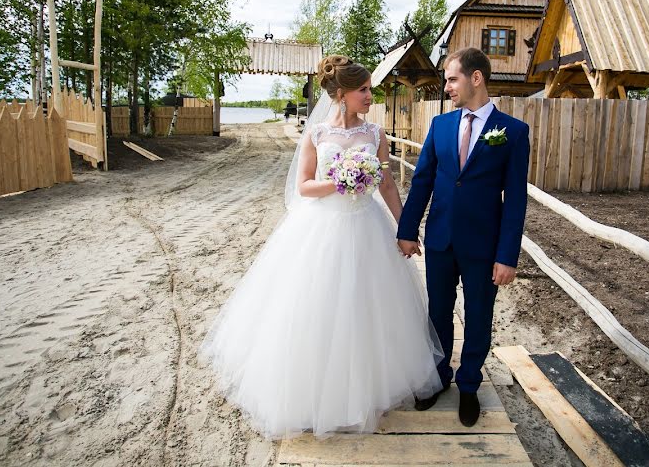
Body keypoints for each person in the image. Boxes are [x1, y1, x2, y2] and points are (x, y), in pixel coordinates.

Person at [200, 55, 443, 440]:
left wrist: (405, 228)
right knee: (316, 308)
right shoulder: (316, 136)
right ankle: (312, 393)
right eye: (363, 90)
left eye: (369, 89)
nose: (370, 95)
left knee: (369, 308)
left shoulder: (376, 135)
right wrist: (341, 183)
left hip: (368, 228)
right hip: (321, 229)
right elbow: (305, 187)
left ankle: (367, 386)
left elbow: (387, 185)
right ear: (343, 95)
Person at [397, 47, 530, 427]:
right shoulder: (440, 126)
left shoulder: (513, 132)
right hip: (439, 239)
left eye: (452, 79)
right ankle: (438, 378)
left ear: (476, 78)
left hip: (484, 246)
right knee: (437, 313)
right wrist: (407, 230)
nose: (447, 87)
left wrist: (507, 256)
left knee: (478, 317)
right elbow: (422, 181)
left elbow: (516, 199)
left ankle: (469, 385)